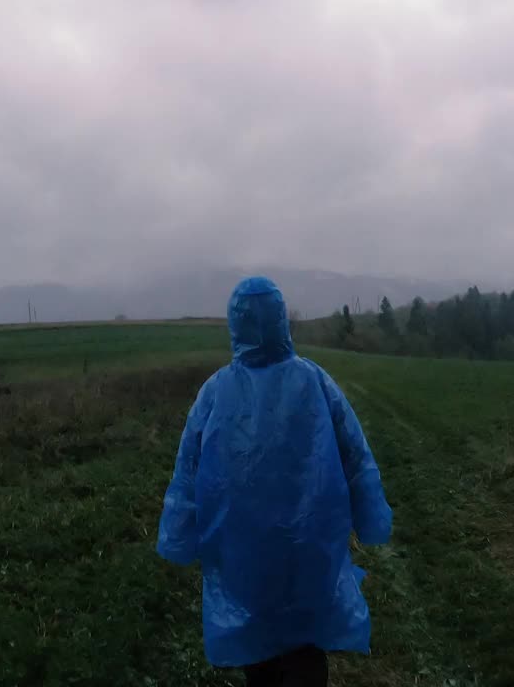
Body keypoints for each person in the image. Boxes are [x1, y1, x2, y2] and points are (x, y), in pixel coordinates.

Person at [156, 276, 393, 686]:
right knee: (306, 648)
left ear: (235, 324)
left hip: (245, 553)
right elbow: (356, 456)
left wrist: (178, 536)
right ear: (283, 321)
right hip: (310, 550)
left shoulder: (214, 392)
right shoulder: (316, 382)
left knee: (259, 649)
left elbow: (187, 470)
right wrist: (371, 519)